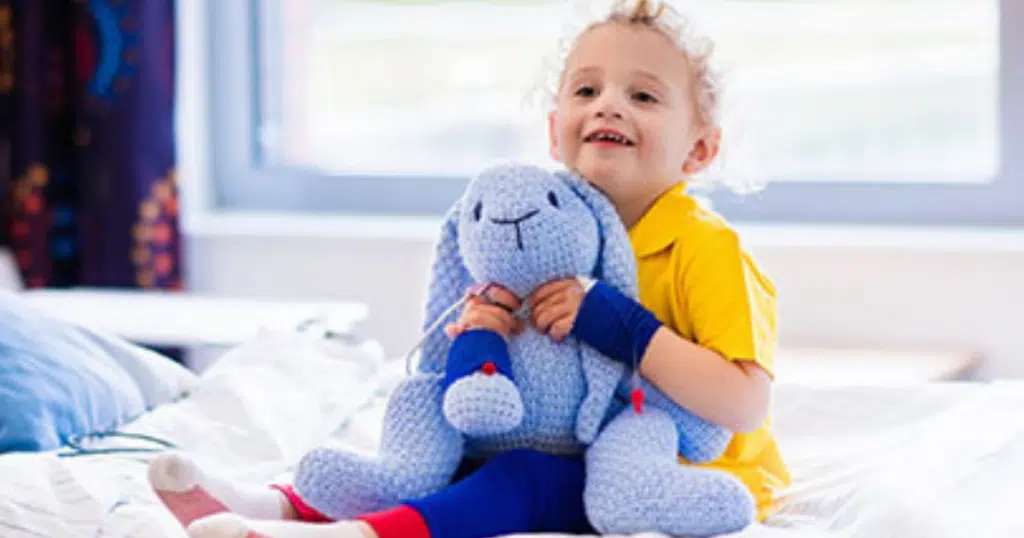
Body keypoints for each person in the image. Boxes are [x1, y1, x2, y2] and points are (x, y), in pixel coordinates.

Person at [148, 0, 789, 536]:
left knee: (522, 479)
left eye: (643, 95)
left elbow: (742, 403)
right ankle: (273, 505)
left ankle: (371, 534)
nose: (608, 106)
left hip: (663, 472)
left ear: (699, 150)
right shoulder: (542, 227)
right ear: (553, 129)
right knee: (436, 455)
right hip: (571, 439)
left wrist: (620, 325)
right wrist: (487, 333)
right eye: (586, 89)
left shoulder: (705, 248)